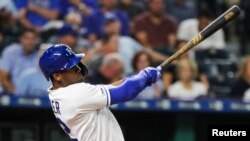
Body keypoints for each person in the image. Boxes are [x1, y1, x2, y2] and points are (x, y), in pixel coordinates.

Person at [39, 44, 161, 141]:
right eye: (71, 67)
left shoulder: (57, 93)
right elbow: (126, 91)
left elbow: (112, 87)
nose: (78, 69)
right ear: (57, 76)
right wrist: (145, 76)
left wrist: (140, 78)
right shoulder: (75, 94)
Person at [0, 29, 38, 93]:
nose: (30, 42)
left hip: (31, 92)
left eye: (33, 39)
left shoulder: (39, 55)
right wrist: (15, 90)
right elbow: (3, 77)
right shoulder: (10, 52)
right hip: (10, 89)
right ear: (21, 39)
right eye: (27, 38)